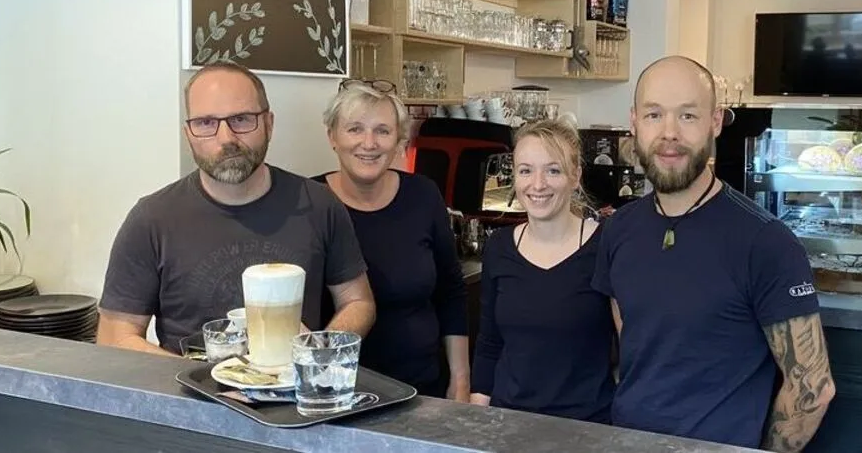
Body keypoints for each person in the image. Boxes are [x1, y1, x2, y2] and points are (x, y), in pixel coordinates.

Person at [592, 55, 835, 451]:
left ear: (715, 122)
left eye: (687, 116)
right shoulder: (618, 229)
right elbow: (632, 342)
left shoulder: (765, 241)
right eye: (654, 115)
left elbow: (813, 388)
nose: (669, 133)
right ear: (634, 122)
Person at [97, 61, 377, 357]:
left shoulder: (319, 204)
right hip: (189, 399)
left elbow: (358, 302)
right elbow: (116, 336)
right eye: (206, 123)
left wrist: (319, 349)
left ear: (269, 124)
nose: (226, 138)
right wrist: (200, 381)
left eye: (242, 120)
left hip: (296, 398)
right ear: (188, 133)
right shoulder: (152, 219)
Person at [312, 79, 469, 400]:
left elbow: (451, 292)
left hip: (422, 390)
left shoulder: (424, 195)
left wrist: (461, 381)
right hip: (334, 392)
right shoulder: (309, 202)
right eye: (355, 129)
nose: (369, 143)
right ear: (332, 137)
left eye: (382, 131)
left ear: (400, 140)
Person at [470, 118, 615, 423]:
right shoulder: (499, 246)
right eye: (526, 170)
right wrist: (475, 420)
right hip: (508, 425)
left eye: (553, 170)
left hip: (586, 428)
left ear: (575, 176)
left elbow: (631, 346)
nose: (537, 185)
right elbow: (489, 344)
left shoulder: (605, 246)